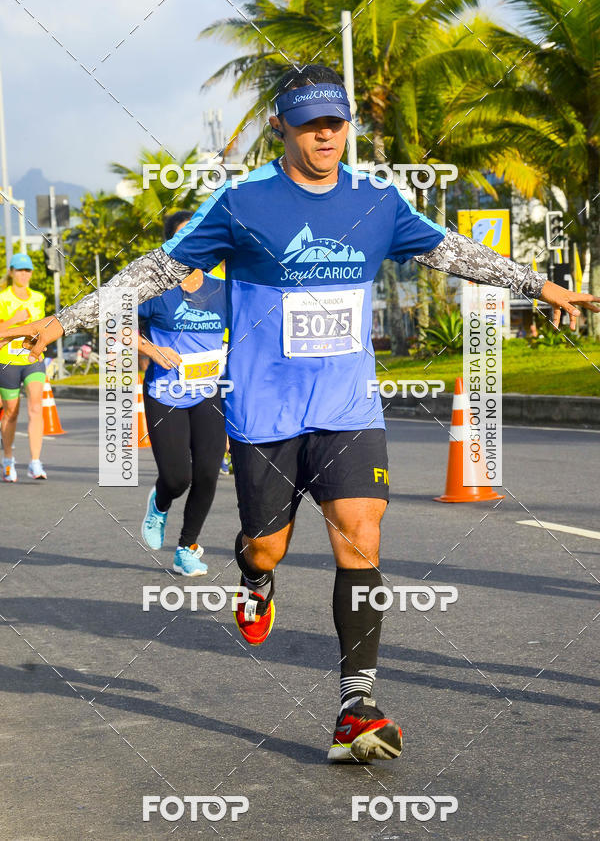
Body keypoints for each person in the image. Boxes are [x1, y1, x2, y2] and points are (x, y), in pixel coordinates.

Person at [3, 64, 599, 764]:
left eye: (336, 123)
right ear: (279, 127)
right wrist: (66, 318)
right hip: (264, 412)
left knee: (361, 538)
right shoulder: (239, 202)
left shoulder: (377, 201)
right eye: (311, 122)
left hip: (347, 405)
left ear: (349, 127)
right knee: (267, 547)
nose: (326, 134)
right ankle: (255, 582)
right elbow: (155, 270)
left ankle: (357, 707)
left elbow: (450, 251)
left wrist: (540, 285)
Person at [137, 210, 228, 577]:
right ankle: (159, 504)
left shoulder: (221, 288)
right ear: (170, 245)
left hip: (209, 392)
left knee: (207, 473)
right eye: (182, 237)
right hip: (165, 393)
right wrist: (151, 350)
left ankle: (187, 548)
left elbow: (246, 334)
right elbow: (116, 327)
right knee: (178, 478)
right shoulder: (155, 292)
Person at [0, 253, 48, 481]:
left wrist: (42, 341)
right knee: (11, 412)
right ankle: (8, 460)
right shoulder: (2, 298)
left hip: (32, 360)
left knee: (36, 407)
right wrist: (14, 320)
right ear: (11, 272)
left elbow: (43, 328)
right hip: (7, 362)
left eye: (27, 270)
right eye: (19, 270)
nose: (24, 274)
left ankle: (35, 462)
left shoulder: (39, 298)